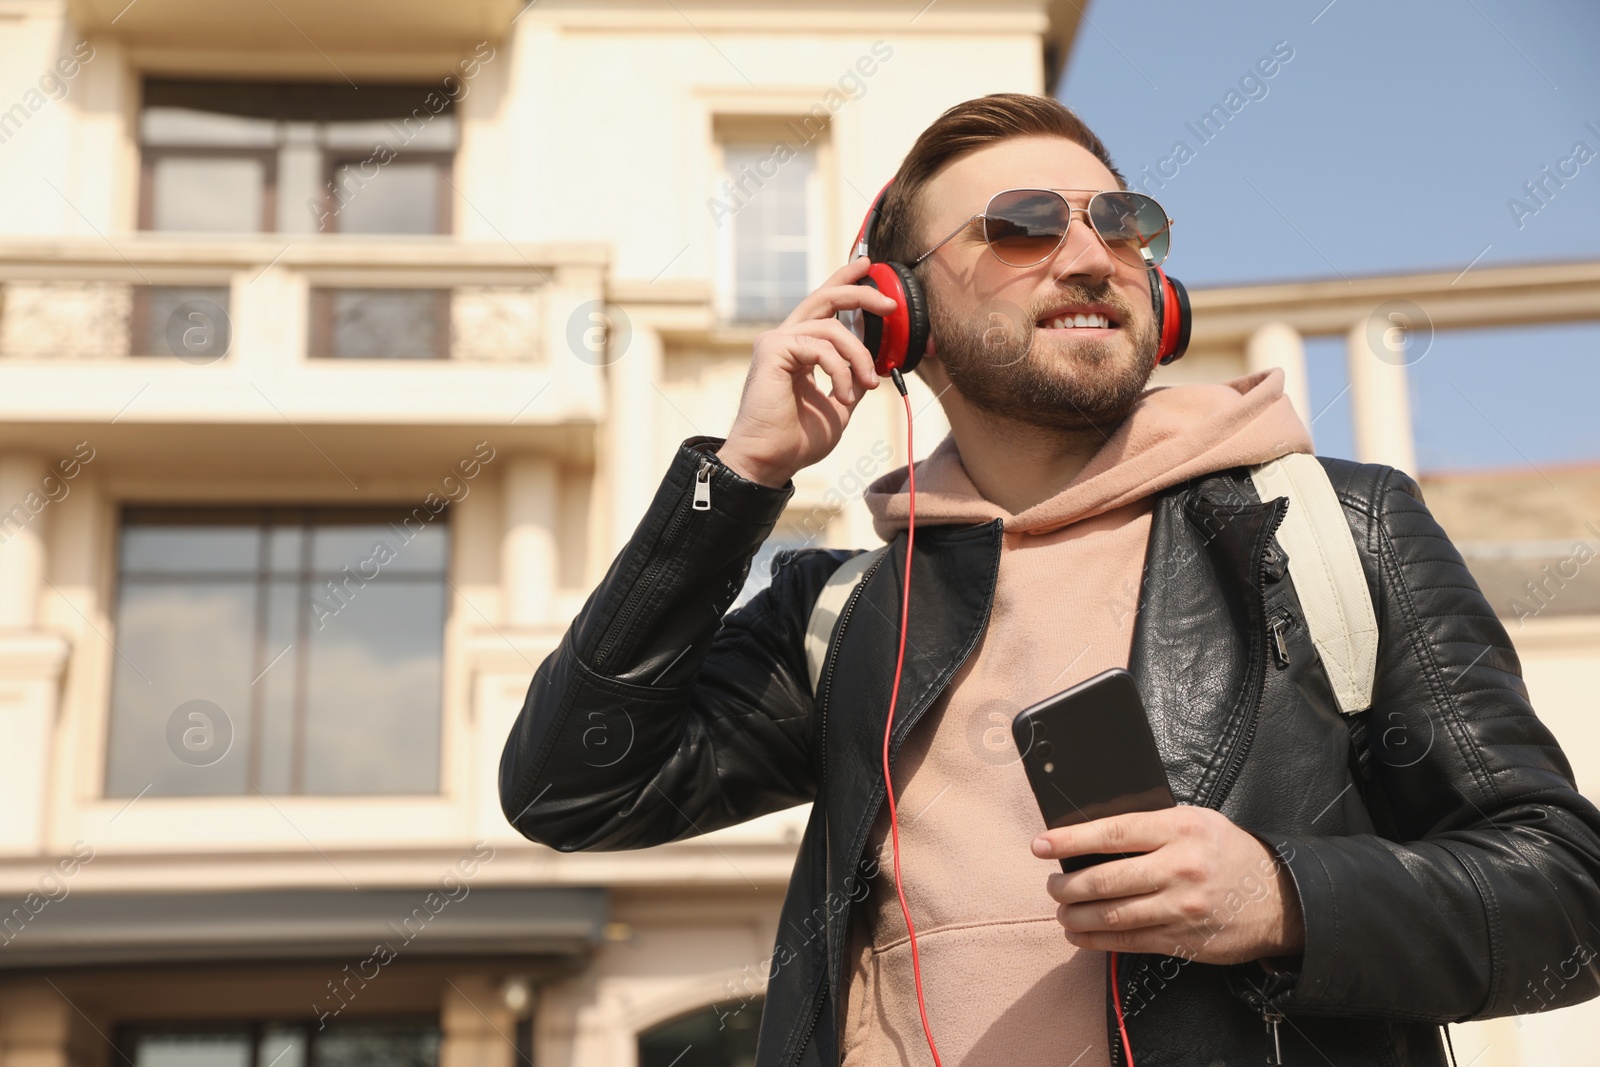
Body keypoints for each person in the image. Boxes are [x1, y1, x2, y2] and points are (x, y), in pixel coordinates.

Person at [499, 93, 1600, 1066]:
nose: (1089, 255)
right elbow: (571, 789)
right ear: (898, 316)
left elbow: (1566, 896)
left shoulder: (1334, 527)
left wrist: (1282, 895)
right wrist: (736, 480)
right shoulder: (844, 613)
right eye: (1022, 225)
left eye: (1121, 222)